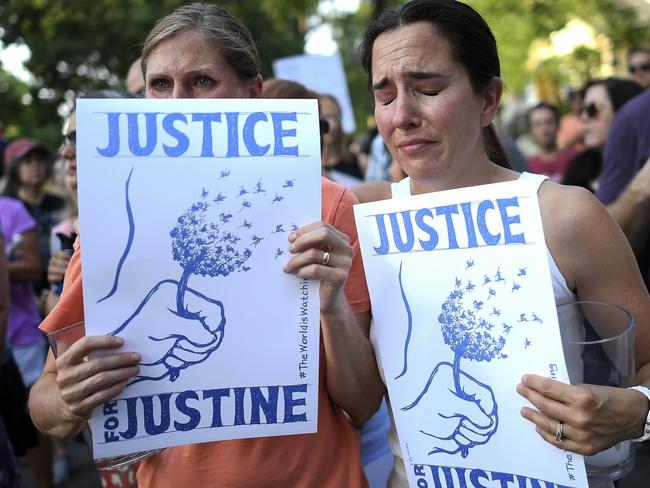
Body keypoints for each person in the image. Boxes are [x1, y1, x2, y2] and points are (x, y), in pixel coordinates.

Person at [29, 4, 383, 487]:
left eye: (200, 81)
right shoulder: (111, 221)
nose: (177, 102)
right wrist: (69, 397)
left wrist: (333, 309)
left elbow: (363, 405)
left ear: (252, 92)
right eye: (159, 85)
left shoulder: (327, 207)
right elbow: (45, 405)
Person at [356, 1, 650, 486]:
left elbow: (644, 359)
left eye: (428, 89)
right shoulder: (360, 215)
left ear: (488, 99)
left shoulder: (564, 215)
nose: (402, 115)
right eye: (384, 98)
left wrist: (637, 410)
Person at [3, 138, 65, 296]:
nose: (35, 166)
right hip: (21, 293)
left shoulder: (61, 204)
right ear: (14, 168)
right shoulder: (8, 209)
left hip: (58, 286)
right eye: (28, 161)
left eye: (39, 160)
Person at [562, 78, 643, 192]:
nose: (583, 117)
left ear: (625, 112)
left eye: (593, 109)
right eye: (581, 110)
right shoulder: (578, 167)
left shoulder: (644, 165)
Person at [319, 93, 365, 185]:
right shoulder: (310, 170)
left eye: (336, 117)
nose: (333, 125)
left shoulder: (361, 162)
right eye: (325, 117)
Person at [526, 102, 577, 181]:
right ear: (531, 130)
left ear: (558, 125)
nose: (544, 130)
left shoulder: (575, 158)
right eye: (537, 124)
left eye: (549, 122)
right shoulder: (527, 166)